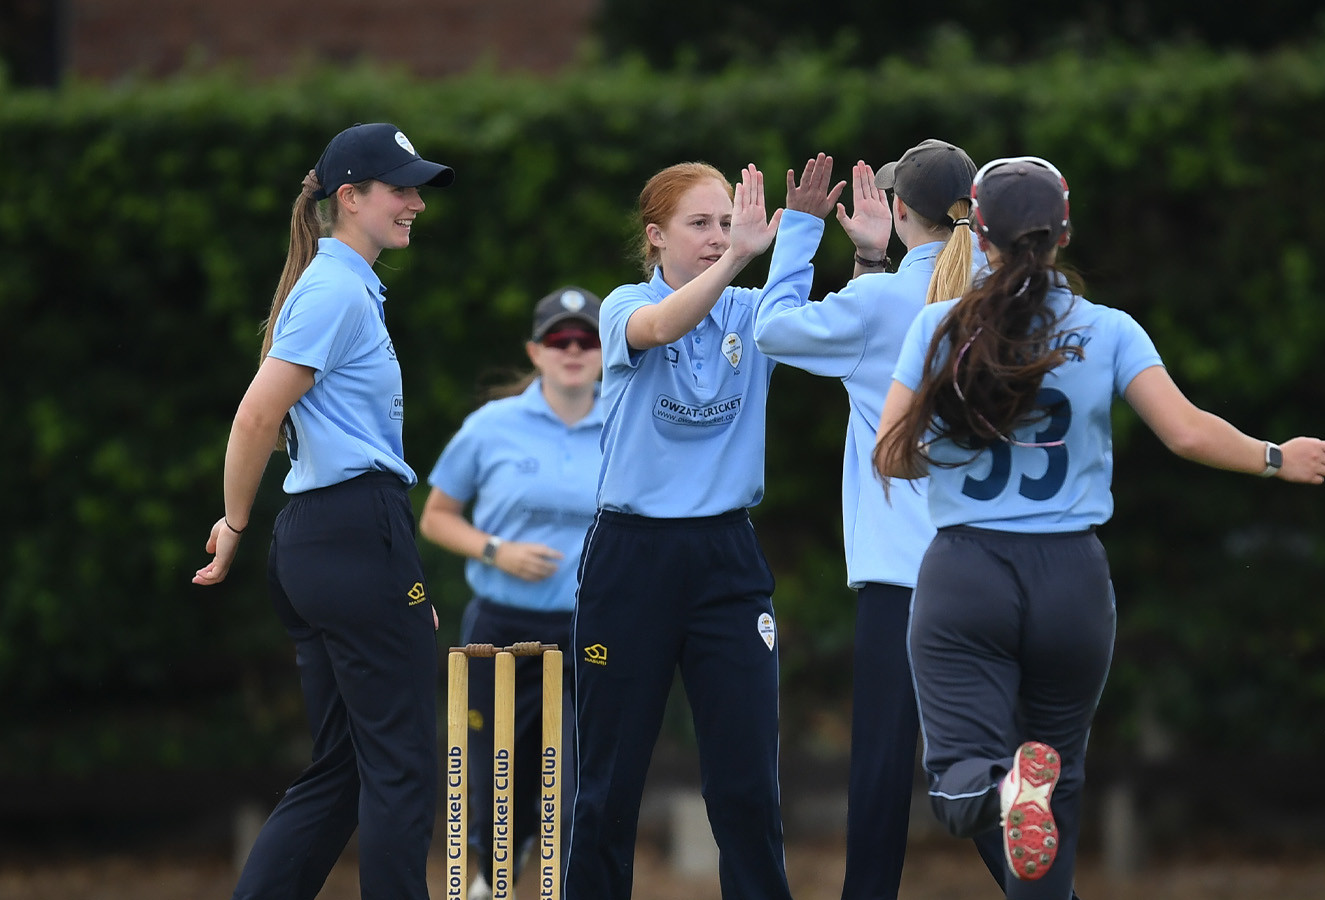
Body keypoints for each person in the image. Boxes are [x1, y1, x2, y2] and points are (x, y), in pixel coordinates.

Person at [872, 156, 1325, 899]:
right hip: (1072, 582)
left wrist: (958, 439)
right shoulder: (1108, 328)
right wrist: (1276, 457)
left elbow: (891, 455)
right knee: (1055, 800)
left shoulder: (938, 326)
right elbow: (1186, 432)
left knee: (963, 789)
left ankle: (1004, 791)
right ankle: (1028, 793)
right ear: (1064, 234)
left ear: (979, 237)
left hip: (967, 572)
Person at [564, 156, 841, 900]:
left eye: (727, 222)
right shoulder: (624, 305)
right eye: (700, 224)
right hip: (631, 557)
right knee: (608, 783)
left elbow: (816, 321)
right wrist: (741, 257)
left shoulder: (751, 314)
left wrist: (809, 232)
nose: (719, 236)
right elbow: (663, 324)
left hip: (725, 557)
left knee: (747, 783)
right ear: (655, 236)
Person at [191, 122, 453, 900]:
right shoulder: (336, 290)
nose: (416, 204)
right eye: (400, 189)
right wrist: (233, 523)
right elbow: (255, 415)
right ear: (350, 197)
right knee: (402, 764)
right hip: (353, 535)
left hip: (329, 542)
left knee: (344, 767)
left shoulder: (342, 286)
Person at [753, 138, 1008, 898]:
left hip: (902, 578)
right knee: (978, 766)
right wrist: (872, 262)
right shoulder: (1007, 298)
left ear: (899, 212)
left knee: (881, 771)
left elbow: (773, 329)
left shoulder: (880, 303)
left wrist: (803, 231)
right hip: (994, 569)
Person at [419, 285, 605, 900]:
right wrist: (499, 550)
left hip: (592, 634)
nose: (573, 350)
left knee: (581, 783)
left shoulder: (628, 423)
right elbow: (436, 517)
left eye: (587, 339)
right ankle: (492, 873)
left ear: (606, 351)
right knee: (495, 777)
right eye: (559, 339)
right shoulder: (491, 427)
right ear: (535, 351)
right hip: (501, 630)